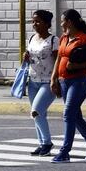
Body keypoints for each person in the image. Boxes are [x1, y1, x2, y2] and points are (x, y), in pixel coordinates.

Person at [50, 9, 86, 163]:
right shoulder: (64, 38)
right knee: (75, 115)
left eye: (62, 20)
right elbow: (59, 59)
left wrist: (77, 66)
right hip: (64, 81)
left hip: (80, 81)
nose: (61, 23)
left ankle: (65, 151)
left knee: (68, 114)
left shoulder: (84, 38)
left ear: (70, 22)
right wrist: (54, 79)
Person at [24, 10, 59, 157]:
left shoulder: (54, 40)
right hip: (33, 81)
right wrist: (25, 56)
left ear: (46, 23)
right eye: (33, 21)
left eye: (37, 21)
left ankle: (47, 143)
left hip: (48, 82)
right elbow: (29, 57)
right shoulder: (32, 38)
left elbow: (58, 61)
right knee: (38, 114)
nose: (34, 24)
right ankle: (41, 143)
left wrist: (55, 80)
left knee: (36, 110)